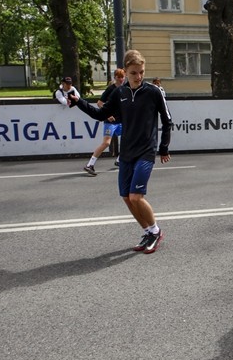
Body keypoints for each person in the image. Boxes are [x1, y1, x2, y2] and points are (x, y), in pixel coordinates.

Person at [69, 49, 172, 254]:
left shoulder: (153, 92)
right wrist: (79, 102)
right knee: (126, 197)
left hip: (146, 151)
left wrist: (163, 148)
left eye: (141, 72)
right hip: (126, 152)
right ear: (125, 72)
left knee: (136, 196)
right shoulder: (120, 93)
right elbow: (100, 114)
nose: (139, 77)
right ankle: (147, 232)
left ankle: (156, 231)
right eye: (134, 73)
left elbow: (167, 121)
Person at [83, 68, 126, 175]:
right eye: (119, 77)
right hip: (110, 122)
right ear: (115, 77)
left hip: (120, 121)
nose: (121, 79)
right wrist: (109, 115)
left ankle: (119, 160)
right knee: (106, 143)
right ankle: (90, 164)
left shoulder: (125, 89)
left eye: (122, 77)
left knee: (129, 138)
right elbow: (99, 103)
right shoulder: (111, 89)